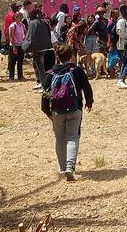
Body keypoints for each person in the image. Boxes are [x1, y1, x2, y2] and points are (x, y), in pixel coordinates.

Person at [40, 44, 93, 181]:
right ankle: (70, 167)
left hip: (56, 111)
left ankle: (62, 168)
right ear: (71, 57)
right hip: (75, 109)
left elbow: (45, 96)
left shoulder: (50, 73)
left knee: (60, 138)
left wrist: (48, 113)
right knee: (72, 137)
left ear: (57, 57)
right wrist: (89, 102)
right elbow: (87, 87)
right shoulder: (77, 71)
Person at [25, 5, 53, 92]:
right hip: (47, 47)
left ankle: (44, 86)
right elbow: (49, 34)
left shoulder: (32, 23)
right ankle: (43, 84)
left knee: (40, 67)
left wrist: (26, 48)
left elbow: (30, 37)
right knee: (44, 67)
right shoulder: (44, 22)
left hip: (37, 48)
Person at [7, 12, 26, 81]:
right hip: (14, 45)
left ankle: (20, 76)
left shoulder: (23, 25)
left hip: (21, 45)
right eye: (19, 17)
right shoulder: (12, 26)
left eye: (21, 17)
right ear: (16, 17)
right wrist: (14, 46)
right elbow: (11, 37)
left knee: (20, 61)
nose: (20, 18)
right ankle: (11, 77)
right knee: (12, 62)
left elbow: (25, 34)